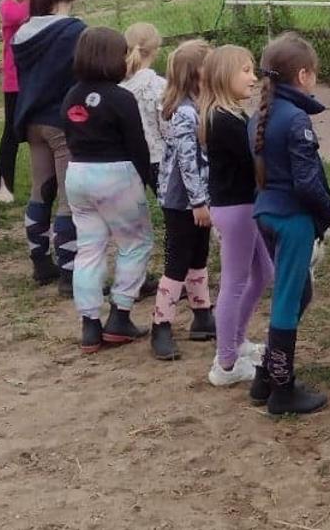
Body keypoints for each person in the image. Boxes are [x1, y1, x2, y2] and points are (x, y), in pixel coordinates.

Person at [250, 33, 330, 415]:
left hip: (268, 213)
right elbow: (307, 181)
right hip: (292, 219)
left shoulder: (262, 114)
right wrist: (328, 217)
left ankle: (263, 377)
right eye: (315, 73)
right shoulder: (295, 119)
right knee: (288, 301)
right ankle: (282, 391)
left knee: (299, 293)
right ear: (303, 75)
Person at [61, 26, 159, 352]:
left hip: (77, 175)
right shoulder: (121, 98)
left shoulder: (70, 95)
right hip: (115, 175)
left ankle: (89, 325)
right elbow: (138, 145)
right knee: (135, 243)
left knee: (89, 247)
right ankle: (119, 315)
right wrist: (146, 180)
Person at [12, 0, 88, 291]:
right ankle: (70, 273)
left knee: (41, 189)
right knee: (68, 198)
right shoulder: (74, 31)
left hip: (32, 120)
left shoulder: (24, 32)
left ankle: (41, 262)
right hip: (61, 122)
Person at [198, 44, 270, 385]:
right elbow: (252, 162)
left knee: (263, 273)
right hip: (237, 208)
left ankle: (236, 343)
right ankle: (225, 363)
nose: (253, 77)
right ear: (226, 75)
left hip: (241, 206)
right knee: (235, 282)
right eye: (246, 70)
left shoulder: (230, 116)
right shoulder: (223, 121)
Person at [151, 39, 214, 361]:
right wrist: (199, 202)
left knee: (199, 254)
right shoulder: (186, 114)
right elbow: (187, 162)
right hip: (182, 201)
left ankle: (202, 314)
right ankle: (161, 324)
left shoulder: (202, 106)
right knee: (177, 260)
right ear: (199, 74)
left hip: (199, 198)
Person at [0, 0, 33, 204]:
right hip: (14, 79)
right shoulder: (10, 6)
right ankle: (4, 184)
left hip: (32, 77)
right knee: (11, 132)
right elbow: (15, 17)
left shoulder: (31, 6)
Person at [120, 22, 168, 192]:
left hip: (129, 159)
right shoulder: (159, 86)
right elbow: (166, 126)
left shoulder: (118, 86)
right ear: (156, 50)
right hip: (158, 156)